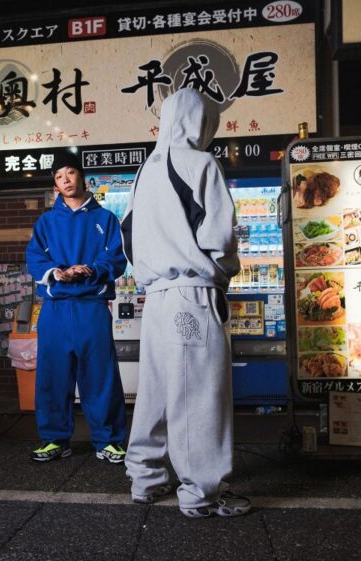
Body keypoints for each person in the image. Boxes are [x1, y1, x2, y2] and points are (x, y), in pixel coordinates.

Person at [121, 88, 251, 518]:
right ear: (201, 121)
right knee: (199, 394)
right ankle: (200, 493)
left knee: (156, 392)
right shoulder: (201, 163)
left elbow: (127, 234)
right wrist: (222, 272)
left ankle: (145, 478)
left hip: (156, 297)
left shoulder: (145, 169)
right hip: (193, 295)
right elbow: (219, 237)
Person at [26, 151, 127, 464]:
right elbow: (35, 259)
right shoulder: (46, 222)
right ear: (55, 185)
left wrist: (92, 270)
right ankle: (54, 439)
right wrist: (58, 272)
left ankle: (108, 441)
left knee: (100, 376)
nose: (65, 180)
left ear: (83, 177)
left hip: (92, 306)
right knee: (52, 377)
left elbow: (116, 257)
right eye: (59, 176)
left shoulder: (105, 219)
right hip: (55, 309)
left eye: (70, 173)